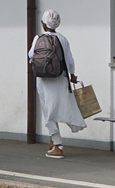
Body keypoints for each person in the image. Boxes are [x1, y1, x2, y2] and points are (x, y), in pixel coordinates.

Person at [28, 9, 85, 159]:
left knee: (48, 111)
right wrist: (72, 75)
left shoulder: (37, 38)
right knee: (56, 109)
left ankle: (58, 146)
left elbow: (30, 56)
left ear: (43, 23)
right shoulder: (63, 39)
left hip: (43, 79)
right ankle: (54, 141)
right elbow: (70, 60)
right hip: (60, 78)